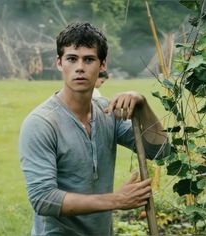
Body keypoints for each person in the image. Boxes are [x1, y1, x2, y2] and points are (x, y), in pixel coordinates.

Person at [19, 22, 170, 236]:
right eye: (72, 59)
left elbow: (161, 150)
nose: (80, 67)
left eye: (89, 59)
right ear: (59, 63)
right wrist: (116, 200)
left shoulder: (107, 113)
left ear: (102, 65)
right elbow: (43, 199)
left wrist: (143, 105)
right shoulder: (41, 123)